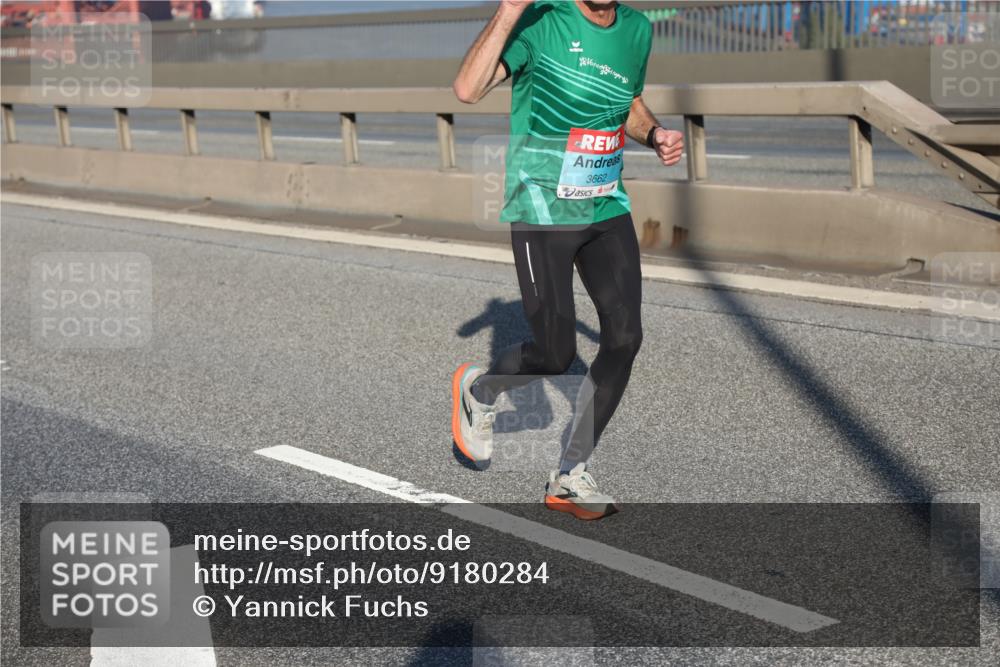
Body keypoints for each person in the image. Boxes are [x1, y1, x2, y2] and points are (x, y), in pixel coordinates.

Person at [451, 0, 683, 520]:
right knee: (556, 355)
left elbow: (627, 101)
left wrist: (655, 134)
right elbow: (467, 89)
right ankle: (479, 391)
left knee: (625, 338)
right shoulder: (541, 21)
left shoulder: (636, 30)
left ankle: (570, 476)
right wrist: (509, 10)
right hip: (542, 209)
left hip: (605, 203)